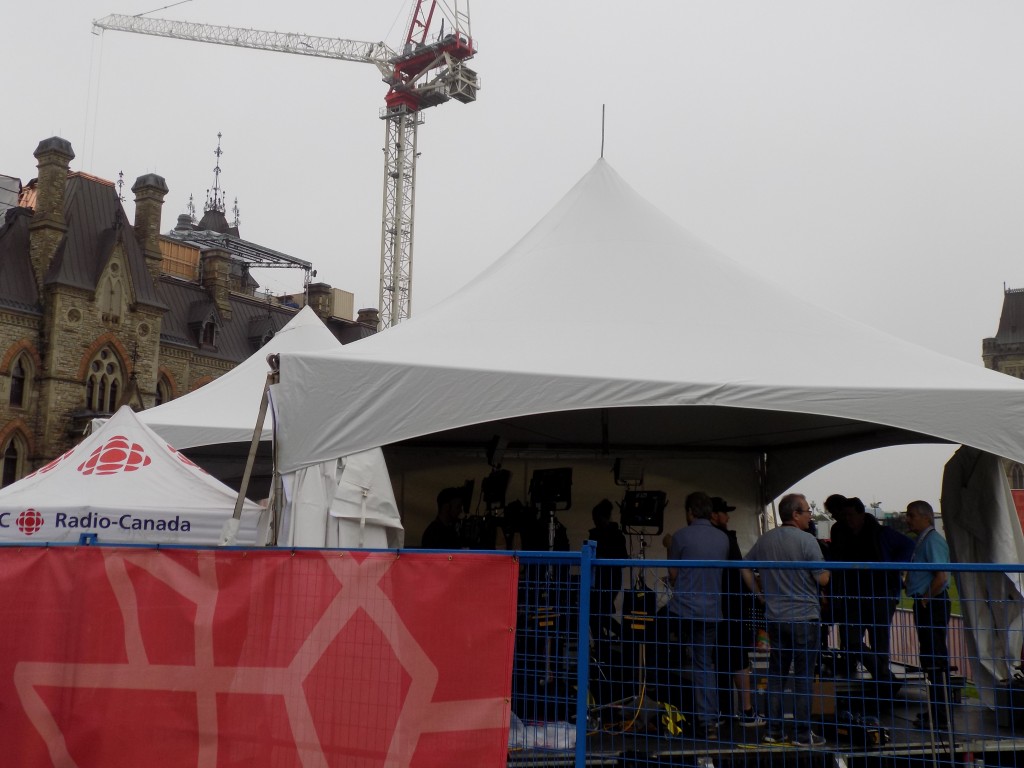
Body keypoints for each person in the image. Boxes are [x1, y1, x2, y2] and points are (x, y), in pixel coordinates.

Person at [743, 493, 830, 747]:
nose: (810, 516)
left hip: (775, 617)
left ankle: (773, 730)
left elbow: (744, 566)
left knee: (777, 675)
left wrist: (760, 595)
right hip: (805, 617)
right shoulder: (808, 541)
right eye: (807, 512)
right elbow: (822, 578)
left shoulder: (765, 540)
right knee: (803, 678)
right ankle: (803, 734)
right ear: (795, 514)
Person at [828, 496, 914, 688]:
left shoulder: (881, 533)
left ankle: (881, 681)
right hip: (854, 594)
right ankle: (884, 676)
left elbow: (908, 546)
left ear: (861, 514)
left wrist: (893, 567)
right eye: (844, 515)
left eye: (850, 515)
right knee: (850, 640)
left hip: (881, 594)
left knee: (879, 640)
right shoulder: (842, 533)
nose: (847, 519)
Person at [667, 491, 731, 740]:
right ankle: (708, 721)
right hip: (712, 610)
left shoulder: (681, 536)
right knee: (704, 664)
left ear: (690, 512)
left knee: (667, 654)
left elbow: (673, 574)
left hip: (683, 609)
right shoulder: (722, 539)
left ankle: (673, 711)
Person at [710, 496, 764, 728]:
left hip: (714, 608)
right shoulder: (727, 538)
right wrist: (760, 596)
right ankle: (747, 712)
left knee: (719, 661)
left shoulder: (709, 538)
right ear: (714, 515)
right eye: (724, 512)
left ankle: (723, 712)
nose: (728, 516)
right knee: (740, 661)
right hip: (733, 609)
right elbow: (742, 570)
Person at [904, 500, 953, 731]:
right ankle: (936, 709)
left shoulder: (933, 541)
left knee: (935, 659)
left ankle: (941, 714)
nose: (908, 519)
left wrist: (924, 599)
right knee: (929, 657)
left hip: (932, 605)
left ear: (926, 517)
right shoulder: (923, 541)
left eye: (912, 515)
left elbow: (941, 577)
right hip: (927, 604)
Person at [588, 498, 629, 639]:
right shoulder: (616, 534)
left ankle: (620, 636)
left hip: (603, 580)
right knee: (598, 615)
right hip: (609, 580)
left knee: (596, 615)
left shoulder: (598, 535)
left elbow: (622, 559)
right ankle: (611, 639)